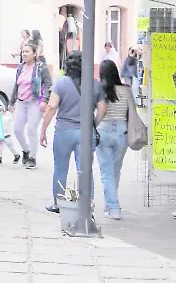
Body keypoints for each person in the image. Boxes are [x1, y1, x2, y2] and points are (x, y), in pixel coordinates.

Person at [41, 51, 107, 213]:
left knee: (60, 168)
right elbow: (102, 110)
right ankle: (87, 205)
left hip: (64, 131)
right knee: (85, 170)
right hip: (86, 132)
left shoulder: (61, 83)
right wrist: (93, 124)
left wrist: (43, 130)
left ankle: (58, 203)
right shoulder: (95, 84)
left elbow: (51, 106)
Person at [96, 59, 131, 220]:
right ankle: (110, 203)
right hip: (122, 131)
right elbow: (132, 111)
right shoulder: (126, 89)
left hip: (104, 130)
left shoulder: (100, 89)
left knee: (106, 172)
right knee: (115, 170)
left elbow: (100, 111)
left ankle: (113, 207)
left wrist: (94, 125)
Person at [10, 44, 52, 169]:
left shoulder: (41, 68)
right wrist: (11, 102)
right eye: (23, 51)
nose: (24, 54)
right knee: (17, 129)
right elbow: (16, 85)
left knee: (31, 129)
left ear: (34, 54)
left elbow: (49, 84)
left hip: (34, 102)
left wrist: (45, 100)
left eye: (27, 51)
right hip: (21, 103)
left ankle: (32, 157)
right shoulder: (20, 67)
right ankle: (26, 150)